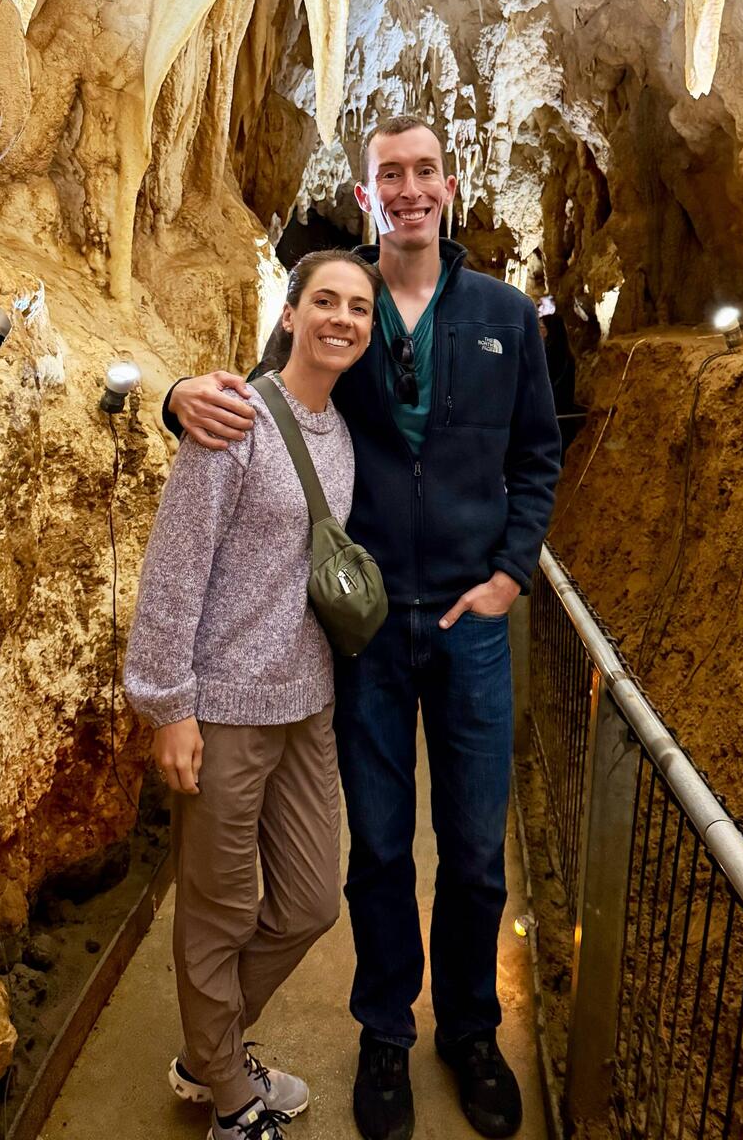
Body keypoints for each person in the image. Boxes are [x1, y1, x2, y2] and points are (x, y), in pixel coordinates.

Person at [163, 116, 563, 1140]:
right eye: (393, 174)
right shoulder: (343, 306)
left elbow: (537, 455)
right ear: (368, 191)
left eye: (426, 170)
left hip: (473, 621)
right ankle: (385, 1029)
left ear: (450, 184)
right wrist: (173, 401)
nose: (412, 188)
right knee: (380, 846)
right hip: (369, 629)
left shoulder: (506, 317)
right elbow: (251, 402)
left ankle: (469, 1030)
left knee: (474, 849)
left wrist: (512, 574)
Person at [125, 250, 382, 1140]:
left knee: (310, 900)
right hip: (226, 706)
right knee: (221, 909)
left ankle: (211, 1053)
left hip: (307, 702)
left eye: (357, 306)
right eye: (325, 301)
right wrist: (169, 704)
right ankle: (231, 1101)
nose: (341, 319)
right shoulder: (235, 417)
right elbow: (176, 563)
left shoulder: (340, 435)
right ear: (291, 313)